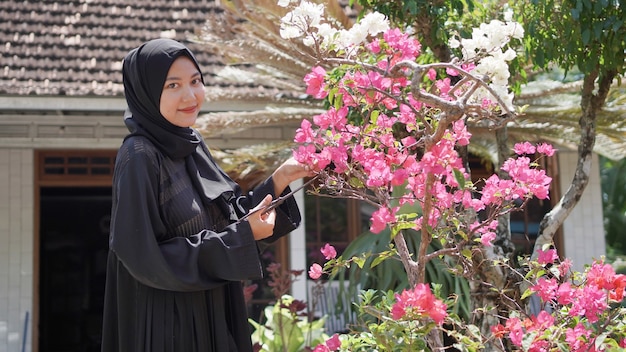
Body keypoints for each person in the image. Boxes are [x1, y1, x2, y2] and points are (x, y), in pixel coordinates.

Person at [101, 38, 313, 352]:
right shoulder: (139, 156)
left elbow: (230, 217)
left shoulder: (192, 144)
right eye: (172, 85)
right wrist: (241, 235)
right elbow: (141, 254)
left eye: (195, 81)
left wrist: (281, 178)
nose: (190, 95)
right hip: (168, 323)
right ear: (146, 92)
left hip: (212, 310)